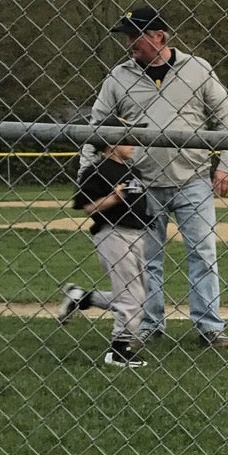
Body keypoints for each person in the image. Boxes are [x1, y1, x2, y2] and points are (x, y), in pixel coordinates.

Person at [86, 5, 228, 349]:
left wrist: (226, 163)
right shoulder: (119, 76)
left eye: (135, 36)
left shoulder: (197, 69)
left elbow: (224, 117)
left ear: (159, 36)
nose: (130, 43)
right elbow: (95, 127)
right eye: (127, 37)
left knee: (203, 254)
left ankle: (209, 328)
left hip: (193, 179)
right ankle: (148, 325)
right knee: (145, 261)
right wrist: (92, 176)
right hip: (142, 183)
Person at [57, 136, 156, 368]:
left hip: (135, 235)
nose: (134, 144)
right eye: (128, 140)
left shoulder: (134, 171)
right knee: (131, 296)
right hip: (113, 234)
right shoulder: (97, 170)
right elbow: (87, 207)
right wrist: (115, 198)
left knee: (135, 295)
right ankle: (118, 350)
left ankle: (82, 297)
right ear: (111, 143)